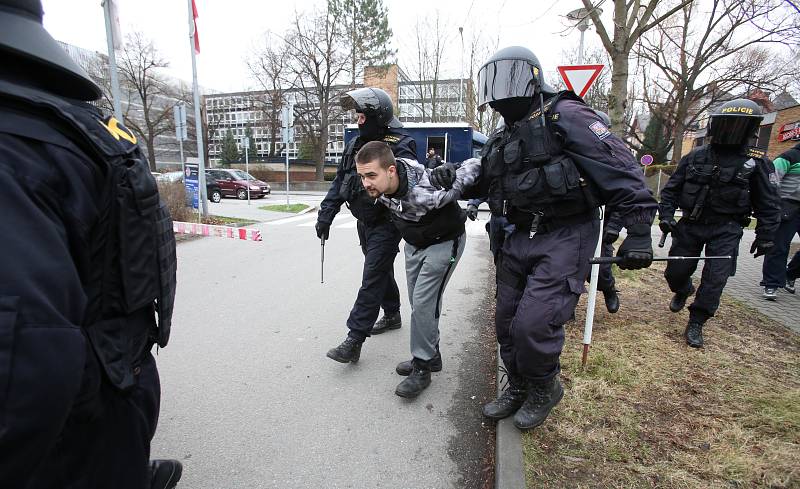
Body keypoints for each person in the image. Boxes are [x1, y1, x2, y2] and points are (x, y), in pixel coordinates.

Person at [0, 1, 181, 488]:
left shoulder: (15, 142)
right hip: (121, 386)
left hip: (78, 425)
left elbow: (21, 366)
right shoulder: (81, 125)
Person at [433, 46, 657, 431]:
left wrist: (638, 232)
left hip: (565, 234)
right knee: (506, 322)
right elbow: (489, 180)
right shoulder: (506, 134)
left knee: (534, 323)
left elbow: (620, 167)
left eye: (507, 80)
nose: (501, 94)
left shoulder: (567, 115)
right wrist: (452, 175)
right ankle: (518, 385)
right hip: (516, 234)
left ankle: (544, 387)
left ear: (531, 78)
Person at [354, 141, 480, 398]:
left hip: (445, 242)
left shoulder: (428, 189)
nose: (366, 183)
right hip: (414, 244)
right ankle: (432, 355)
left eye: (371, 175)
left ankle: (422, 367)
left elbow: (475, 165)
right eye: (362, 176)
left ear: (391, 171)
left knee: (424, 303)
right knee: (417, 301)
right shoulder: (384, 186)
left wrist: (451, 169)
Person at [658, 98, 781, 347]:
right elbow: (670, 191)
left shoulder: (756, 162)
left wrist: (766, 236)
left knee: (716, 279)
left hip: (726, 228)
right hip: (691, 225)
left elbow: (769, 203)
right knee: (675, 273)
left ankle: (697, 321)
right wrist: (666, 216)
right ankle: (682, 289)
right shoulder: (695, 157)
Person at [319, 87, 417, 364]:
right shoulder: (355, 145)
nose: (358, 121)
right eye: (357, 117)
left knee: (372, 274)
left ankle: (354, 338)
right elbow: (341, 181)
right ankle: (393, 314)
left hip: (388, 221)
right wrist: (326, 213)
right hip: (364, 220)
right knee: (380, 270)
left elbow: (408, 176)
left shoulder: (399, 142)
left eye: (362, 117)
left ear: (378, 116)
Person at [760, 141, 800, 299]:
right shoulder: (789, 156)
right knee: (779, 247)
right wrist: (774, 205)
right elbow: (771, 181)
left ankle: (790, 274)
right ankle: (771, 284)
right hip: (788, 207)